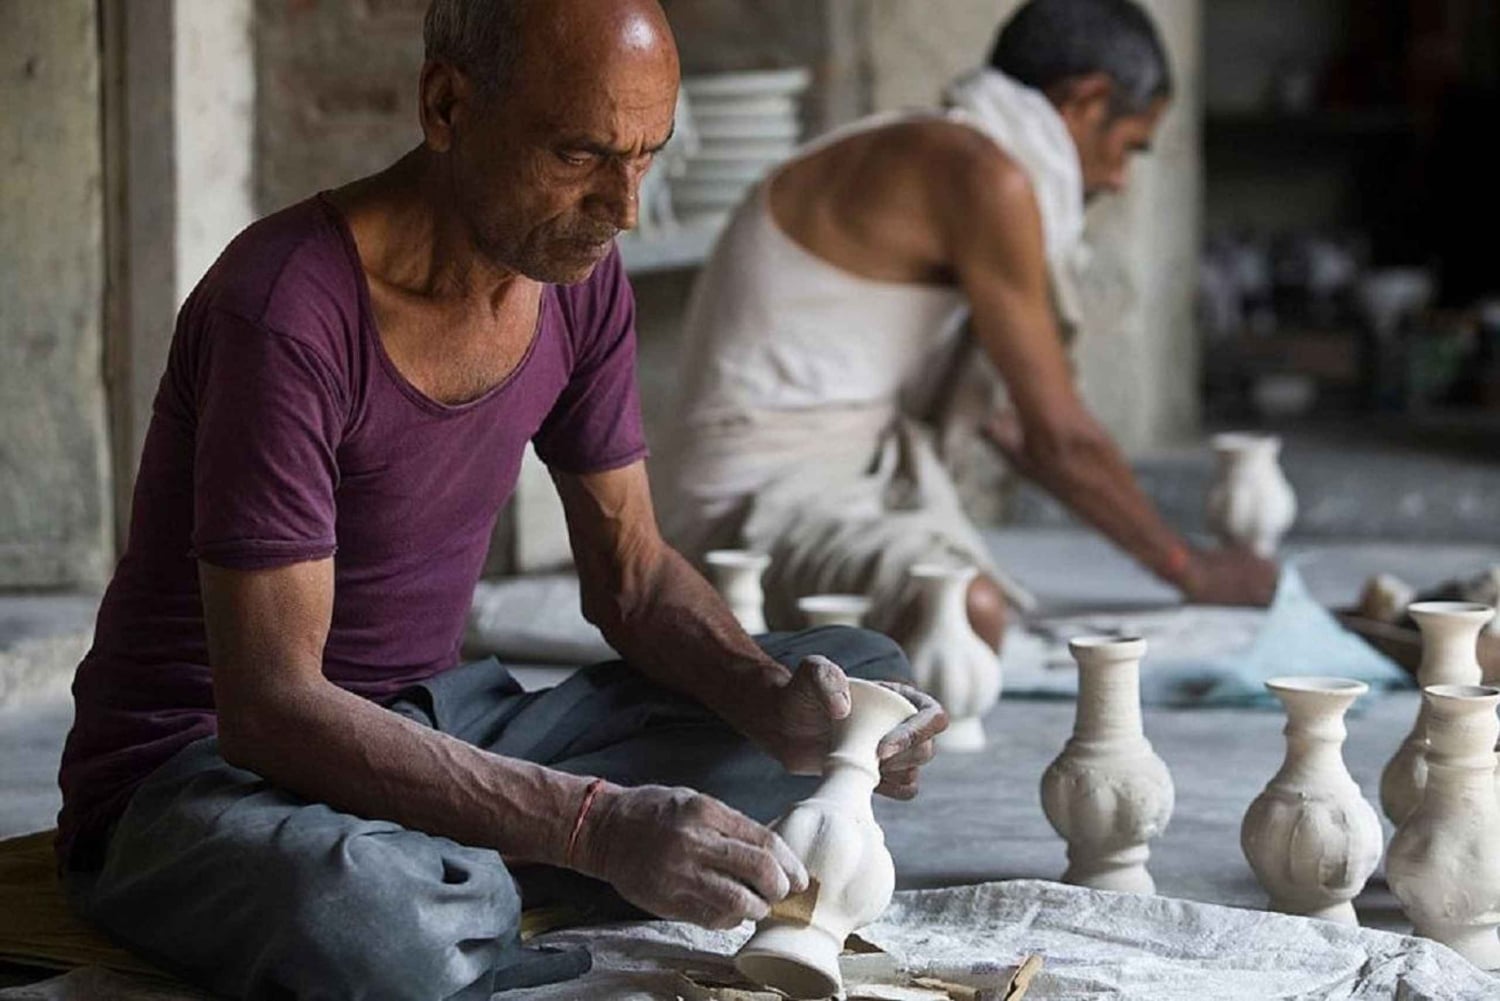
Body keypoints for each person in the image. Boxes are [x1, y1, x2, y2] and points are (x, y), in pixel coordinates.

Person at [53, 2, 946, 997]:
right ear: (446, 104)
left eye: (647, 155)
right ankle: (466, 883)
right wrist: (591, 821)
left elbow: (636, 580)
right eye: (581, 154)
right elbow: (270, 707)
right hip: (207, 771)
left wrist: (771, 701)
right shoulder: (286, 310)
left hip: (438, 728)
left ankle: (468, 875)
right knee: (363, 909)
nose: (625, 207)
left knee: (861, 676)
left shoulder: (573, 274)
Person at [657, 0, 1279, 651]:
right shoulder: (980, 174)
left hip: (836, 476)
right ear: (1088, 101)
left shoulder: (939, 147)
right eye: (1127, 148)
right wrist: (1191, 568)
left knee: (975, 609)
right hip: (744, 514)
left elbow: (1013, 427)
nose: (1120, 181)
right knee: (969, 617)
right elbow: (1058, 438)